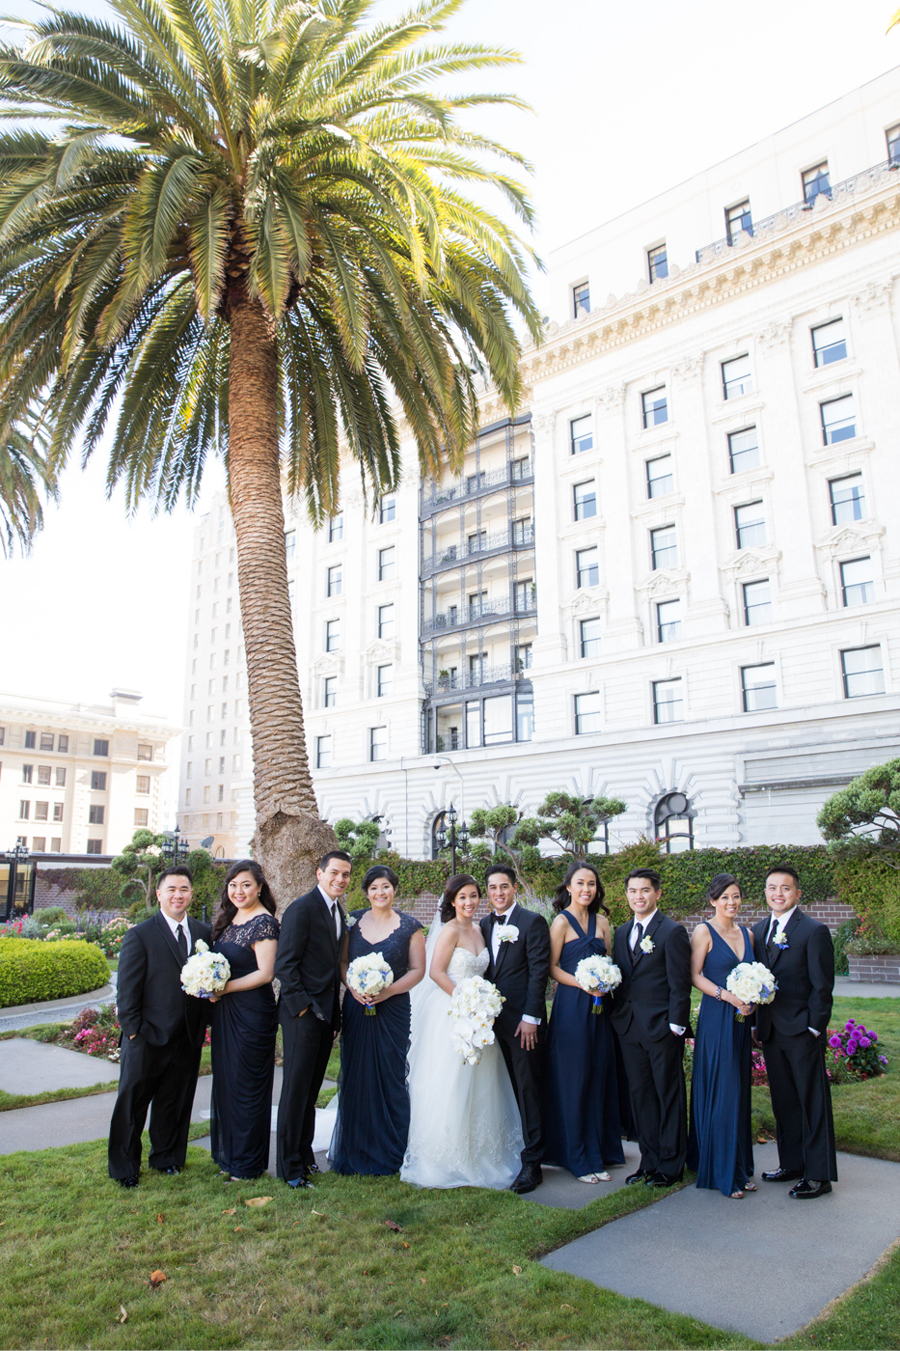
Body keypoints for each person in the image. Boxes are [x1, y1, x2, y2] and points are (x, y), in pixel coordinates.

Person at [401, 874, 524, 1189]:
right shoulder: (451, 931)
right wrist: (464, 1001)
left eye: (473, 896)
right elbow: (436, 971)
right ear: (452, 902)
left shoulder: (481, 929)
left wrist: (480, 1007)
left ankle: (482, 1151)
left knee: (483, 1083)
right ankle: (446, 1155)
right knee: (451, 1081)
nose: (469, 903)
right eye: (462, 898)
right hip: (453, 1013)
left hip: (480, 1018)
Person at [108, 867, 210, 1187]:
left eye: (184, 889)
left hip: (187, 1037)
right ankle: (125, 1168)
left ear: (191, 894)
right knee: (132, 1106)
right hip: (147, 1037)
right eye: (171, 890)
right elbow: (126, 990)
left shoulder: (204, 933)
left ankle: (167, 1158)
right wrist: (134, 1031)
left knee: (174, 1103)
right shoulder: (140, 934)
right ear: (159, 894)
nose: (178, 895)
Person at [330, 865, 425, 1175]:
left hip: (393, 1009)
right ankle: (355, 1147)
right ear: (366, 892)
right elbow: (343, 962)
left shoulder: (410, 926)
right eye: (374, 888)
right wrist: (353, 988)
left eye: (385, 887)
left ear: (394, 889)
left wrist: (388, 992)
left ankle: (392, 1148)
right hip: (357, 1007)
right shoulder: (352, 922)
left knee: (390, 1073)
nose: (380, 893)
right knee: (356, 1072)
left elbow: (417, 971)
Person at [752, 864, 837, 1199]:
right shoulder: (758, 931)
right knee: (784, 1101)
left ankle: (819, 1175)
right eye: (772, 888)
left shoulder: (813, 931)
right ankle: (792, 1164)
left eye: (785, 888)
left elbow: (822, 986)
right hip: (772, 1032)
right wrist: (758, 1024)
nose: (778, 894)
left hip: (803, 1031)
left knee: (812, 1102)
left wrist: (814, 1027)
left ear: (797, 893)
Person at [542, 862, 625, 1183]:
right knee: (574, 1078)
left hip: (600, 1007)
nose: (586, 889)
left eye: (591, 884)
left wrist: (605, 981)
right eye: (580, 883)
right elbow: (552, 968)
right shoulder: (560, 923)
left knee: (597, 1074)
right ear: (569, 888)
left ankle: (599, 1150)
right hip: (572, 1008)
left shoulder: (603, 922)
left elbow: (610, 962)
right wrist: (582, 983)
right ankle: (576, 1157)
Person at [610, 867, 692, 1188]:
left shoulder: (671, 931)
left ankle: (671, 1165)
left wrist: (676, 1025)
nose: (638, 896)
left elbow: (680, 983)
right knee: (641, 1095)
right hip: (629, 1028)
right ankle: (649, 1160)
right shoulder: (620, 933)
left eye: (645, 890)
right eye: (633, 891)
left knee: (667, 1094)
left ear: (657, 893)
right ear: (627, 895)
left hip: (661, 1028)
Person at [275, 850, 351, 1189]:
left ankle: (304, 1157)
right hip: (301, 1016)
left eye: (346, 875)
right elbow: (285, 966)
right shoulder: (301, 909)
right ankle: (289, 1167)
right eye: (334, 872)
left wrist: (331, 1016)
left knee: (310, 1093)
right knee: (295, 1092)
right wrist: (305, 1009)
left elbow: (332, 970)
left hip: (324, 1016)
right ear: (319, 874)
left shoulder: (338, 912)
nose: (340, 879)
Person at [479, 864, 551, 1194]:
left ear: (514, 888)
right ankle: (510, 1150)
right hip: (492, 1023)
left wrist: (531, 1018)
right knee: (501, 1089)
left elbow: (539, 973)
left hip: (524, 1024)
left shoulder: (532, 922)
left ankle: (533, 1162)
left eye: (503, 887)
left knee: (528, 1089)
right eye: (492, 888)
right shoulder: (482, 924)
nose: (498, 893)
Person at [207, 860, 279, 1181]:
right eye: (233, 885)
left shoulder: (264, 923)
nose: (238, 891)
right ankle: (231, 1158)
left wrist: (223, 989)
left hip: (252, 1014)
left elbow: (265, 974)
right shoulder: (231, 918)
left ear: (260, 887)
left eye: (246, 884)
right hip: (226, 1014)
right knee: (228, 1083)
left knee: (247, 1087)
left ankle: (247, 1165)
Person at [686, 873, 756, 1199]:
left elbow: (754, 975)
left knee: (739, 1093)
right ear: (713, 900)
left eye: (736, 896)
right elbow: (694, 975)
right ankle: (722, 1173)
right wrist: (727, 997)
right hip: (717, 1017)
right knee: (723, 1091)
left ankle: (739, 1167)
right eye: (725, 897)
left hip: (742, 1021)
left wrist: (753, 1000)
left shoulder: (748, 934)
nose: (731, 902)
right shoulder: (704, 931)